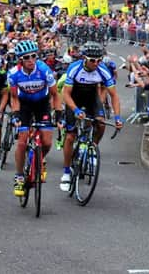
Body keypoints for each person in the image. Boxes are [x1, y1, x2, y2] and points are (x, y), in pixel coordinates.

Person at [60, 41, 122, 192]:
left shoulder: (103, 70)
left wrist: (118, 117)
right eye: (92, 60)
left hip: (91, 97)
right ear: (84, 59)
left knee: (100, 124)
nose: (96, 63)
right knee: (70, 136)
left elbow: (114, 96)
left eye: (99, 60)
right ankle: (66, 173)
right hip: (74, 98)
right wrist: (75, 110)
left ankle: (93, 148)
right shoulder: (74, 68)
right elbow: (65, 94)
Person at [8, 40, 62, 197]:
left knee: (47, 142)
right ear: (20, 60)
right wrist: (16, 114)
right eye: (27, 58)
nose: (31, 60)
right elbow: (14, 98)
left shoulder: (44, 70)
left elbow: (55, 94)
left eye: (34, 56)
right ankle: (19, 176)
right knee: (22, 141)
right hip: (24, 104)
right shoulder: (13, 74)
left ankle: (40, 160)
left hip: (42, 104)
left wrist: (58, 114)